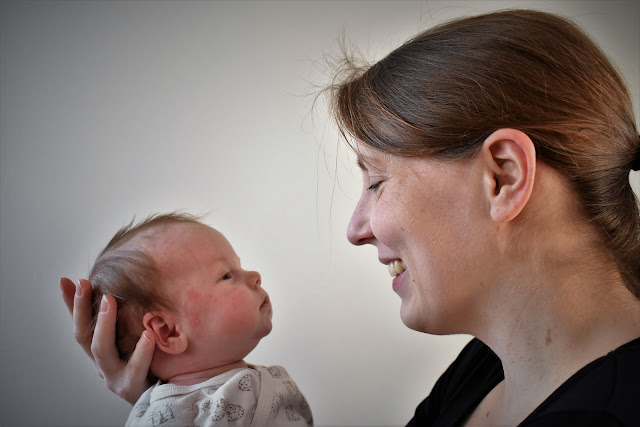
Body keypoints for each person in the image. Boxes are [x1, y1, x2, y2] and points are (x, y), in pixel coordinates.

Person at [61, 9, 640, 426]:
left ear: (503, 177)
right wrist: (178, 404)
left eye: (377, 180)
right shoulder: (487, 369)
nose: (356, 229)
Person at [63, 212, 312, 426]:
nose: (255, 276)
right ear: (169, 332)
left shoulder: (253, 381)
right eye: (226, 275)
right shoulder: (170, 418)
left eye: (239, 266)